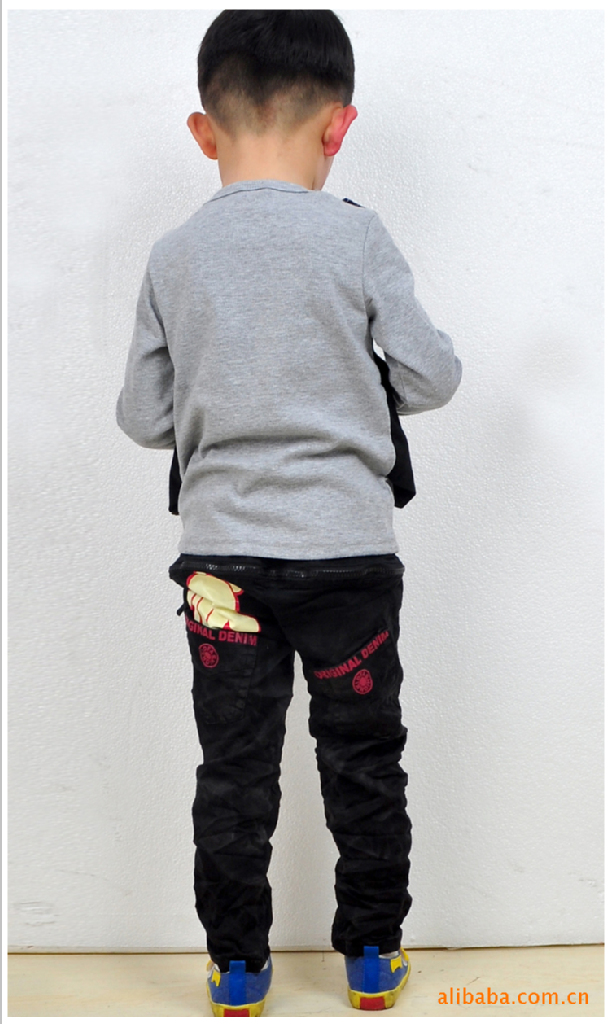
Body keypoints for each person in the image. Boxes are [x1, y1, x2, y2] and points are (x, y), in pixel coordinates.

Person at [116, 10, 462, 1017]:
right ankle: (371, 957)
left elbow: (142, 417)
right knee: (364, 760)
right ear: (338, 125)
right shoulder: (355, 233)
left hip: (220, 565)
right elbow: (433, 376)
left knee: (234, 769)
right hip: (349, 558)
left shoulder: (174, 255)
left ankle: (237, 969)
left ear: (204, 130)